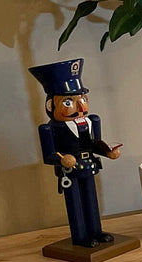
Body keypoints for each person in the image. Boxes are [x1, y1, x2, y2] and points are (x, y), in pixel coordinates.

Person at [31, 59, 123, 248]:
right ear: (50, 106)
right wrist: (62, 159)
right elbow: (49, 154)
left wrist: (108, 152)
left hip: (89, 167)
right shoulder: (49, 129)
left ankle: (96, 231)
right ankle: (81, 237)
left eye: (82, 100)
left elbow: (95, 144)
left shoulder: (92, 121)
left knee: (91, 201)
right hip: (70, 172)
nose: (81, 108)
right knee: (75, 204)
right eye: (68, 102)